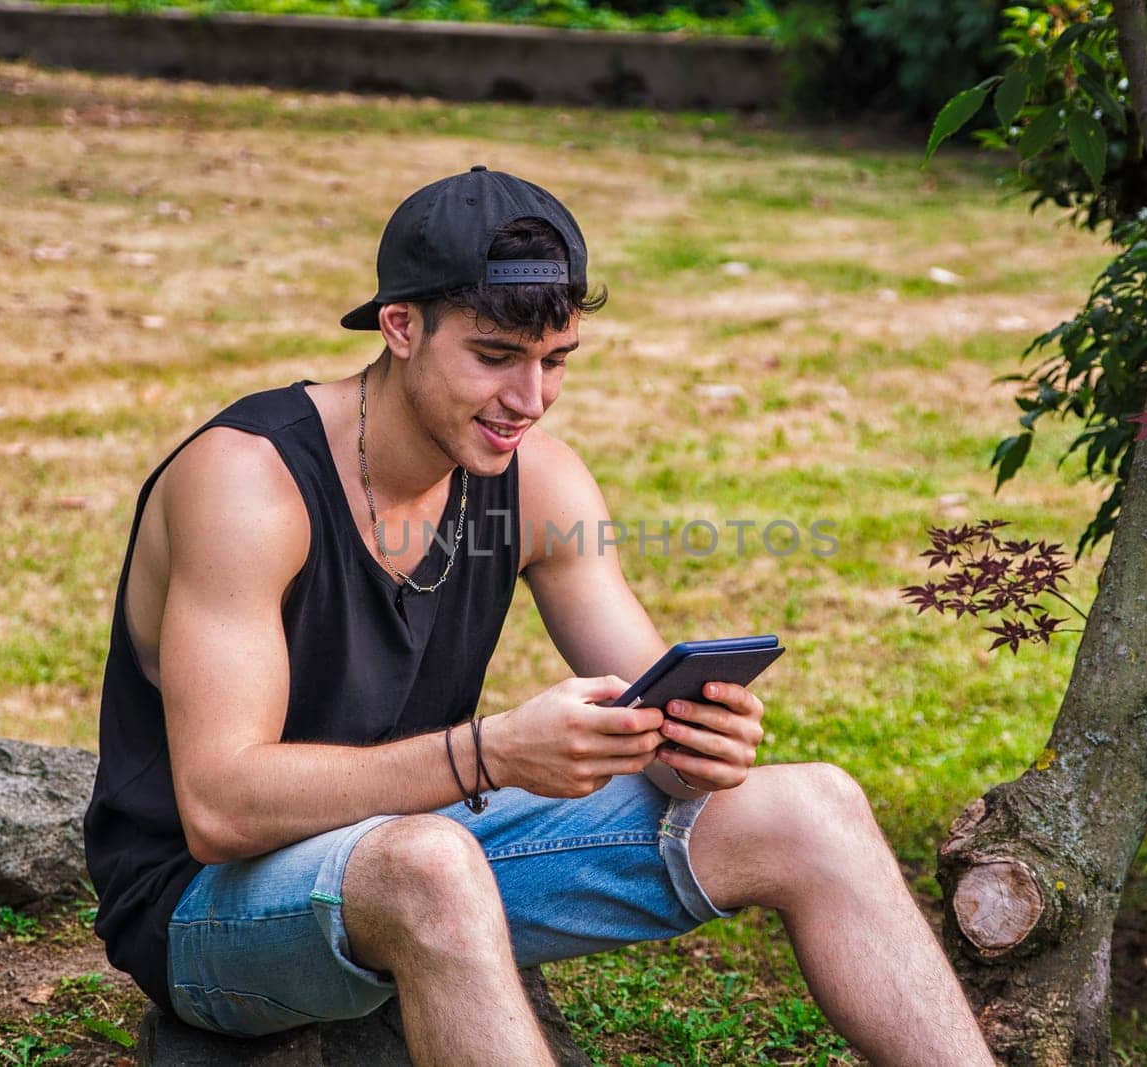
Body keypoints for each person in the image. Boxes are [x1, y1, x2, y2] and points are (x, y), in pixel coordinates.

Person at [83, 166, 994, 1066]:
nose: (529, 400)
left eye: (554, 360)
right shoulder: (247, 482)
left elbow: (653, 711)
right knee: (429, 866)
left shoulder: (539, 481)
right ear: (399, 326)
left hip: (413, 851)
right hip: (203, 905)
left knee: (816, 808)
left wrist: (697, 746)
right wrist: (490, 755)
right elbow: (219, 807)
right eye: (493, 356)